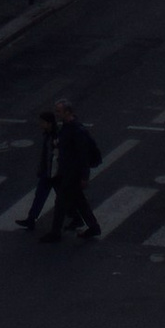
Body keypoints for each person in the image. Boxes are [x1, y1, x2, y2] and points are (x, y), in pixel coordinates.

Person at [45, 97, 103, 242]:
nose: (56, 114)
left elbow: (83, 156)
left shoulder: (76, 130)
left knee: (61, 202)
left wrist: (84, 177)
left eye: (59, 111)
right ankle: (93, 227)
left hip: (73, 173)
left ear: (68, 112)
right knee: (79, 201)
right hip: (68, 171)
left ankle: (55, 233)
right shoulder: (67, 127)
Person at [16, 104, 59, 231]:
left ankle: (75, 217)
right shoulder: (48, 134)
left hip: (55, 173)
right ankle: (31, 219)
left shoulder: (55, 136)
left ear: (49, 123)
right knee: (40, 195)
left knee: (63, 198)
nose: (40, 124)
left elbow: (54, 155)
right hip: (48, 172)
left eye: (42, 122)